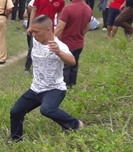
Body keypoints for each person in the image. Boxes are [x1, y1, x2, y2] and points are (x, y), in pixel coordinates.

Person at [8, 15, 83, 143]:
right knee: (16, 111)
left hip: (54, 89)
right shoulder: (35, 40)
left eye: (36, 31)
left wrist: (58, 52)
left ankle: (75, 124)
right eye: (32, 31)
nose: (33, 34)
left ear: (48, 30)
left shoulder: (59, 46)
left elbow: (72, 61)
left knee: (47, 109)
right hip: (36, 88)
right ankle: (16, 139)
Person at [54, 0, 92, 87]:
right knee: (74, 64)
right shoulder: (88, 8)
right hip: (79, 43)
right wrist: (79, 34)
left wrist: (51, 40)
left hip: (66, 43)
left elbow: (60, 28)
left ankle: (64, 88)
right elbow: (87, 27)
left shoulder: (68, 8)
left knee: (65, 67)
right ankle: (72, 86)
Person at [23, 0, 42, 75]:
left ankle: (27, 67)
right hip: (31, 21)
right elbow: (29, 7)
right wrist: (26, 12)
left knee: (33, 45)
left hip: (39, 23)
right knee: (29, 40)